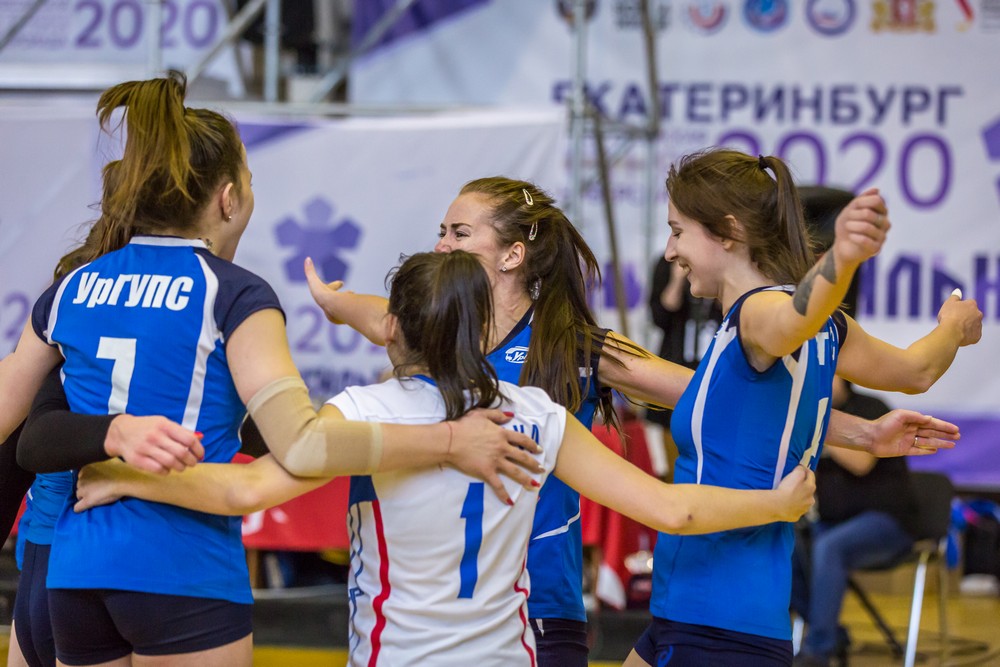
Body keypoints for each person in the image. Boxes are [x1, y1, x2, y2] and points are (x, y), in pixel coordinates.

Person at [303, 175, 971, 666]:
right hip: (427, 607)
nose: (441, 242)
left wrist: (854, 432)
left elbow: (708, 396)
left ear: (511, 254)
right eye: (442, 232)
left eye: (458, 232)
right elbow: (375, 314)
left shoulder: (572, 344)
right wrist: (333, 302)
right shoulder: (432, 331)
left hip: (539, 596)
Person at [0, 71, 541, 667]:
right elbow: (302, 445)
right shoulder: (233, 293)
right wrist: (449, 439)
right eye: (251, 184)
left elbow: (11, 416)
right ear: (228, 198)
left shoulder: (73, 285)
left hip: (74, 569)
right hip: (182, 566)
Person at [67, 250, 818, 665]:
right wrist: (779, 504)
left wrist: (123, 474)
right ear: (480, 329)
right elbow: (672, 509)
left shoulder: (361, 411)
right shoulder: (537, 412)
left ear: (391, 328)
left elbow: (242, 492)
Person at [623, 148, 981, 667]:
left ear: (727, 232)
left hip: (717, 621)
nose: (670, 250)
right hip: (692, 612)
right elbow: (917, 370)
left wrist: (843, 257)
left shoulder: (759, 315)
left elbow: (793, 317)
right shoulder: (824, 327)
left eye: (678, 232)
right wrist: (951, 328)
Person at [790, 377, 918, 667]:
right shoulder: (811, 414)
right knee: (784, 546)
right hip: (831, 522)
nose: (819, 380)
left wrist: (818, 431)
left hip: (887, 522)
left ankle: (817, 652)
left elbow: (861, 463)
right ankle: (831, 633)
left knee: (830, 546)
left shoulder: (870, 408)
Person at [645, 255, 722, 481]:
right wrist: (677, 280)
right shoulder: (667, 264)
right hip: (676, 363)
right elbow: (660, 317)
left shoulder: (719, 262)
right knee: (672, 447)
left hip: (713, 369)